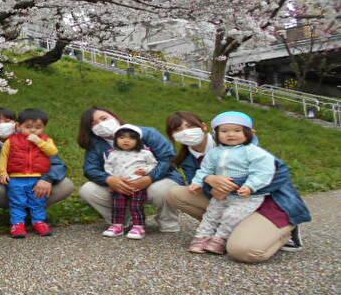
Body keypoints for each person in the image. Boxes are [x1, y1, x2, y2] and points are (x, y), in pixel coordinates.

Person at [165, 111, 312, 262]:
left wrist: (234, 185)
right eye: (178, 130)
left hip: (266, 199)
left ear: (204, 127)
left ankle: (284, 233)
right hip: (227, 200)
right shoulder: (189, 158)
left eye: (189, 126)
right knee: (175, 193)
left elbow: (279, 174)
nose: (185, 132)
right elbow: (201, 183)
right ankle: (227, 233)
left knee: (243, 251)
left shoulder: (243, 146)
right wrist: (209, 179)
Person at [78, 107, 183, 232]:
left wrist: (150, 177)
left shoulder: (147, 133)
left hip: (155, 180)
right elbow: (90, 169)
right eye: (93, 123)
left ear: (114, 117)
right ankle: (121, 221)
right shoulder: (96, 144)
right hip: (120, 186)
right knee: (88, 190)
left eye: (104, 118)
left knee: (163, 190)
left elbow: (168, 158)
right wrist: (109, 179)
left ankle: (168, 222)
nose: (101, 124)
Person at [0, 107, 74, 227]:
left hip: (33, 187)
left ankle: (33, 213)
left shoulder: (37, 139)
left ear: (16, 124)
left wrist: (47, 179)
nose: (2, 125)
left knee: (66, 184)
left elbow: (58, 164)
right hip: (3, 189)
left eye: (7, 121)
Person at [187, 112, 275, 254]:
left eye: (237, 130)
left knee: (231, 215)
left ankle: (220, 239)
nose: (231, 134)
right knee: (211, 214)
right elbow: (205, 169)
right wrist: (198, 182)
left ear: (249, 133)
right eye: (224, 131)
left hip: (246, 196)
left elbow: (263, 171)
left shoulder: (254, 152)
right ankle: (202, 237)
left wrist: (251, 186)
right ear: (216, 134)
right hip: (221, 194)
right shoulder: (214, 153)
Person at [0, 108, 58, 238]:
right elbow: (4, 156)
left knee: (38, 201)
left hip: (38, 178)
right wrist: (2, 172)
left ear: (44, 128)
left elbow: (52, 152)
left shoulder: (46, 140)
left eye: (38, 127)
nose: (33, 130)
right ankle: (18, 224)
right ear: (19, 126)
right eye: (28, 127)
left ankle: (39, 222)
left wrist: (39, 142)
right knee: (17, 202)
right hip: (16, 178)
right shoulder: (11, 141)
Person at [102, 125, 157, 239]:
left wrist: (146, 170)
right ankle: (117, 226)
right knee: (118, 205)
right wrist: (112, 178)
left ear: (138, 141)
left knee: (136, 206)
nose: (126, 140)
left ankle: (138, 226)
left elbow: (153, 164)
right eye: (122, 137)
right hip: (120, 185)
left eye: (131, 138)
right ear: (116, 139)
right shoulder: (113, 154)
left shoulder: (144, 153)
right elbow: (108, 167)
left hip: (137, 185)